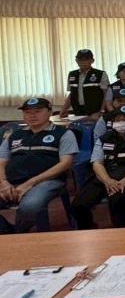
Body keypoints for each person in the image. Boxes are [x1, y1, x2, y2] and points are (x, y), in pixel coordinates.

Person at [0, 98, 79, 234]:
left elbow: (66, 163)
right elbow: (1, 162)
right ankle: (8, 232)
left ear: (50, 112)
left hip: (47, 181)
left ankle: (19, 233)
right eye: (27, 112)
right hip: (11, 181)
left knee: (30, 206)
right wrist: (3, 182)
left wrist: (30, 183)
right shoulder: (15, 135)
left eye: (37, 111)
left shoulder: (63, 133)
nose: (32, 115)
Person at [71, 106, 125, 229]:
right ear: (112, 122)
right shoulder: (105, 138)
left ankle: (121, 232)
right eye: (118, 120)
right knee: (78, 205)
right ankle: (88, 228)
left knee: (117, 201)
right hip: (104, 175)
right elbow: (97, 163)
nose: (121, 122)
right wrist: (107, 180)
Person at [59, 48, 110, 118]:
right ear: (76, 61)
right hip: (78, 111)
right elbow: (72, 94)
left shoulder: (100, 74)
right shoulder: (72, 74)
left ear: (92, 61)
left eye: (86, 60)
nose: (83, 62)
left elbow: (106, 95)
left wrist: (102, 110)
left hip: (96, 111)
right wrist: (64, 108)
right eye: (81, 60)